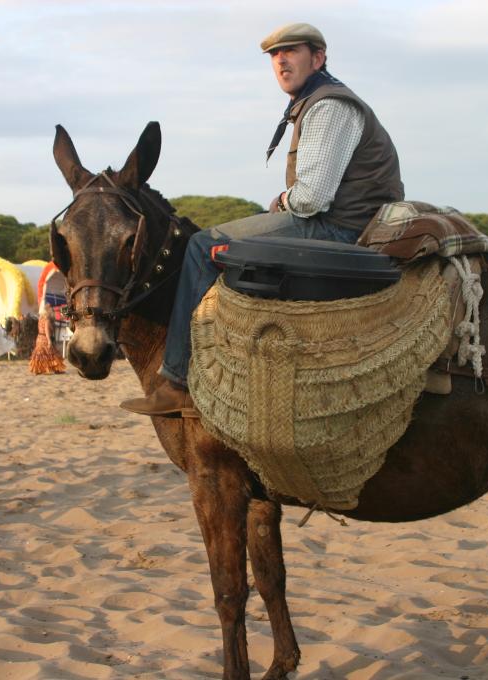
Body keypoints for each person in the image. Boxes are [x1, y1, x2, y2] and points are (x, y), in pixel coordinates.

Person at [121, 22, 404, 417]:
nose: (282, 60)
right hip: (344, 219)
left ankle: (178, 381)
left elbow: (312, 200)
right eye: (274, 55)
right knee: (242, 231)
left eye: (291, 51)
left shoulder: (327, 105)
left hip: (339, 227)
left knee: (203, 245)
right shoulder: (314, 101)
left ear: (318, 58)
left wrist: (283, 200)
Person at [29, 306, 67, 375]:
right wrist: (49, 340)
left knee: (39, 355)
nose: (52, 312)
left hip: (39, 338)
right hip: (44, 338)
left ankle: (38, 370)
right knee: (52, 354)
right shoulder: (47, 320)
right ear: (48, 312)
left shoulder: (40, 319)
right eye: (51, 311)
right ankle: (56, 369)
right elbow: (47, 331)